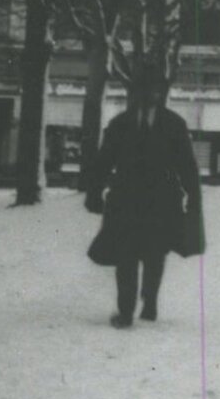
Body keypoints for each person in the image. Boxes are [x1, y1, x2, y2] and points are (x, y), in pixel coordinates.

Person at [85, 69, 205, 329]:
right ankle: (126, 311)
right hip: (126, 201)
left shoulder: (174, 125)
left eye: (154, 90)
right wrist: (93, 192)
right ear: (135, 94)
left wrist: (194, 198)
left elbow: (187, 166)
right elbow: (104, 161)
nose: (149, 95)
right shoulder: (120, 124)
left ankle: (149, 300)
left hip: (162, 202)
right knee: (125, 257)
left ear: (161, 94)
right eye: (144, 90)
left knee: (155, 255)